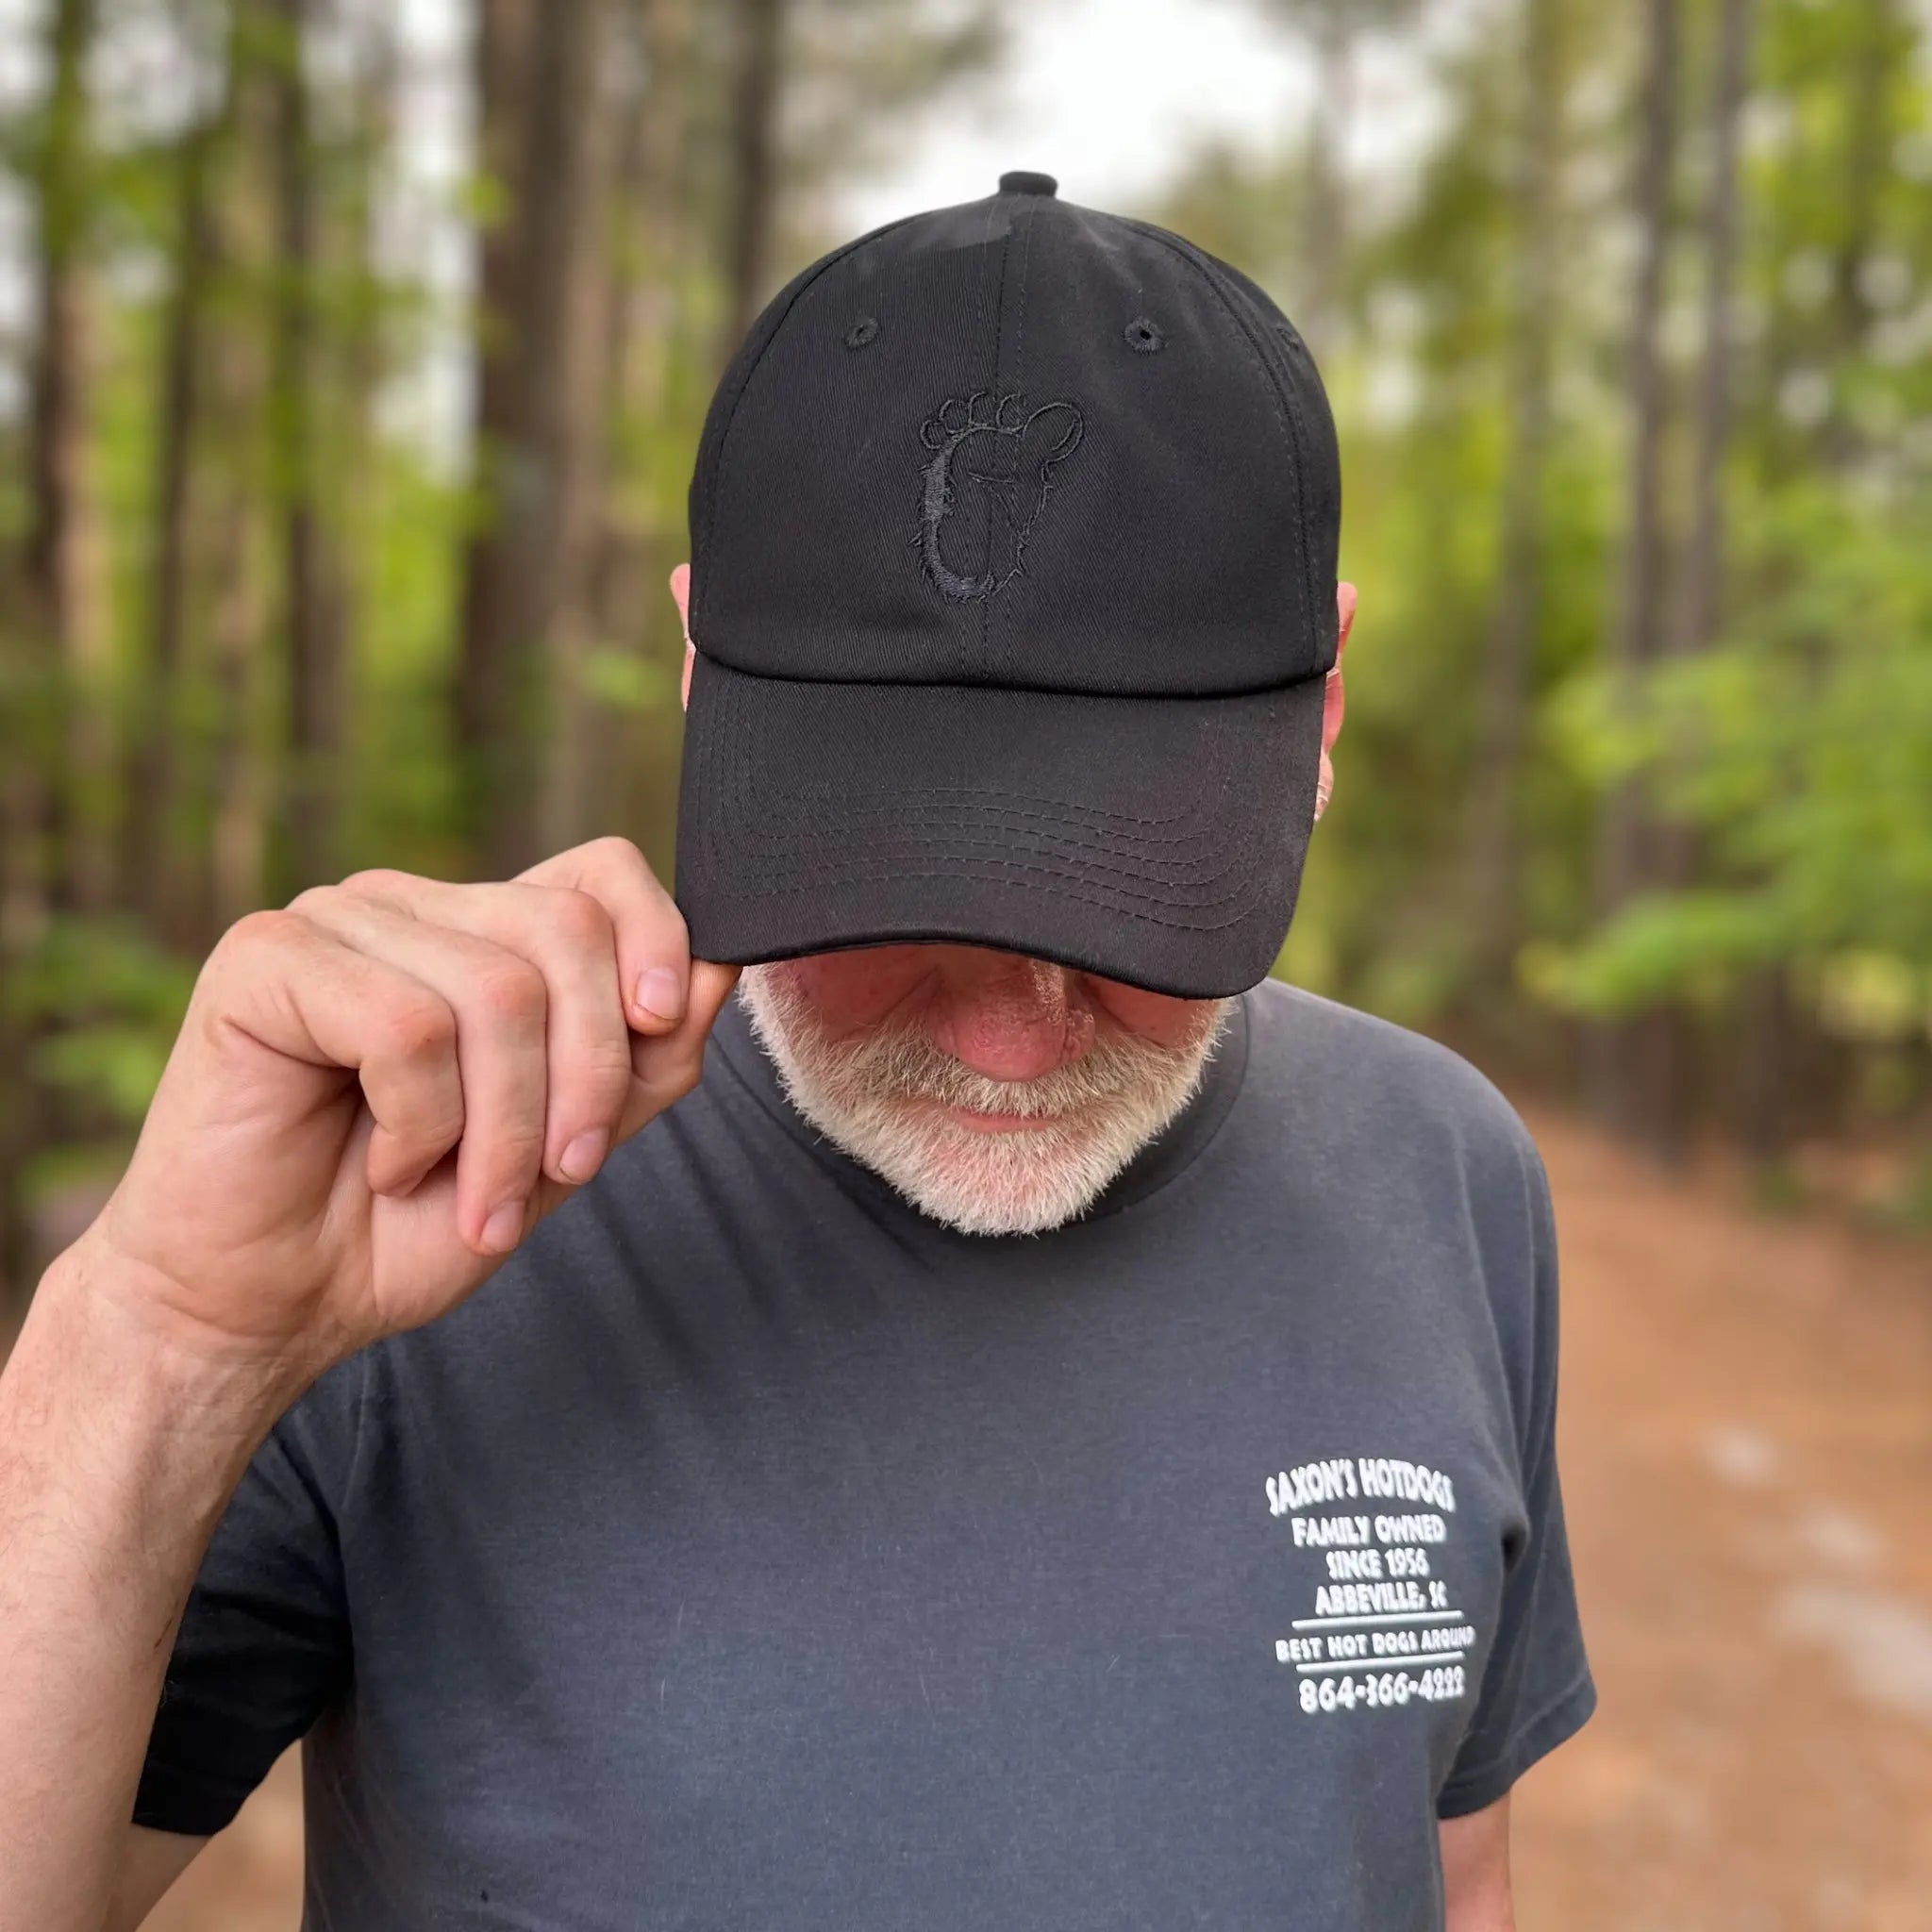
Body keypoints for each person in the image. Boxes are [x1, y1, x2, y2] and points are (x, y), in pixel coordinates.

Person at [0, 173, 1593, 1931]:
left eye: (1134, 900)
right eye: (892, 877)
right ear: (696, 666)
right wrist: (151, 1340)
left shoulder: (1446, 1173)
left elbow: (1447, 1867)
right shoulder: (417, 1194)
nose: (1011, 1031)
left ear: (1324, 711)